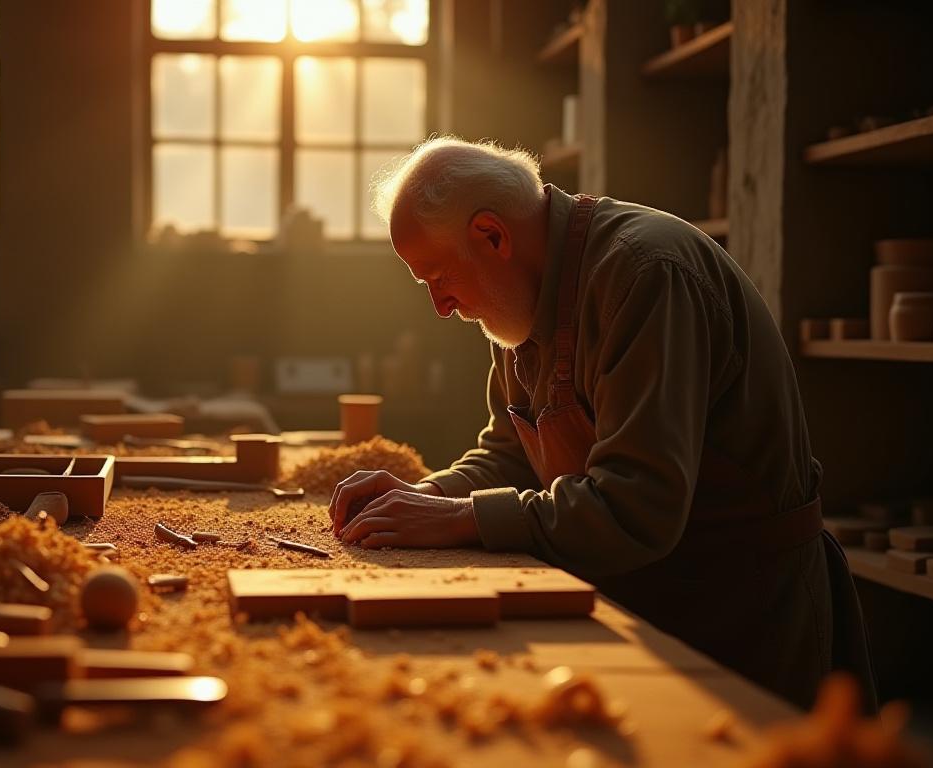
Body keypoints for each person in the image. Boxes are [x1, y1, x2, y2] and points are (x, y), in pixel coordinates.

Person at [328, 136, 875, 710]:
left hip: (741, 608)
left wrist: (459, 519)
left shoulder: (645, 275)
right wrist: (424, 497)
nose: (440, 307)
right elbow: (511, 454)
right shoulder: (517, 299)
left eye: (437, 278)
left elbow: (638, 506)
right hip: (649, 596)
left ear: (492, 236)